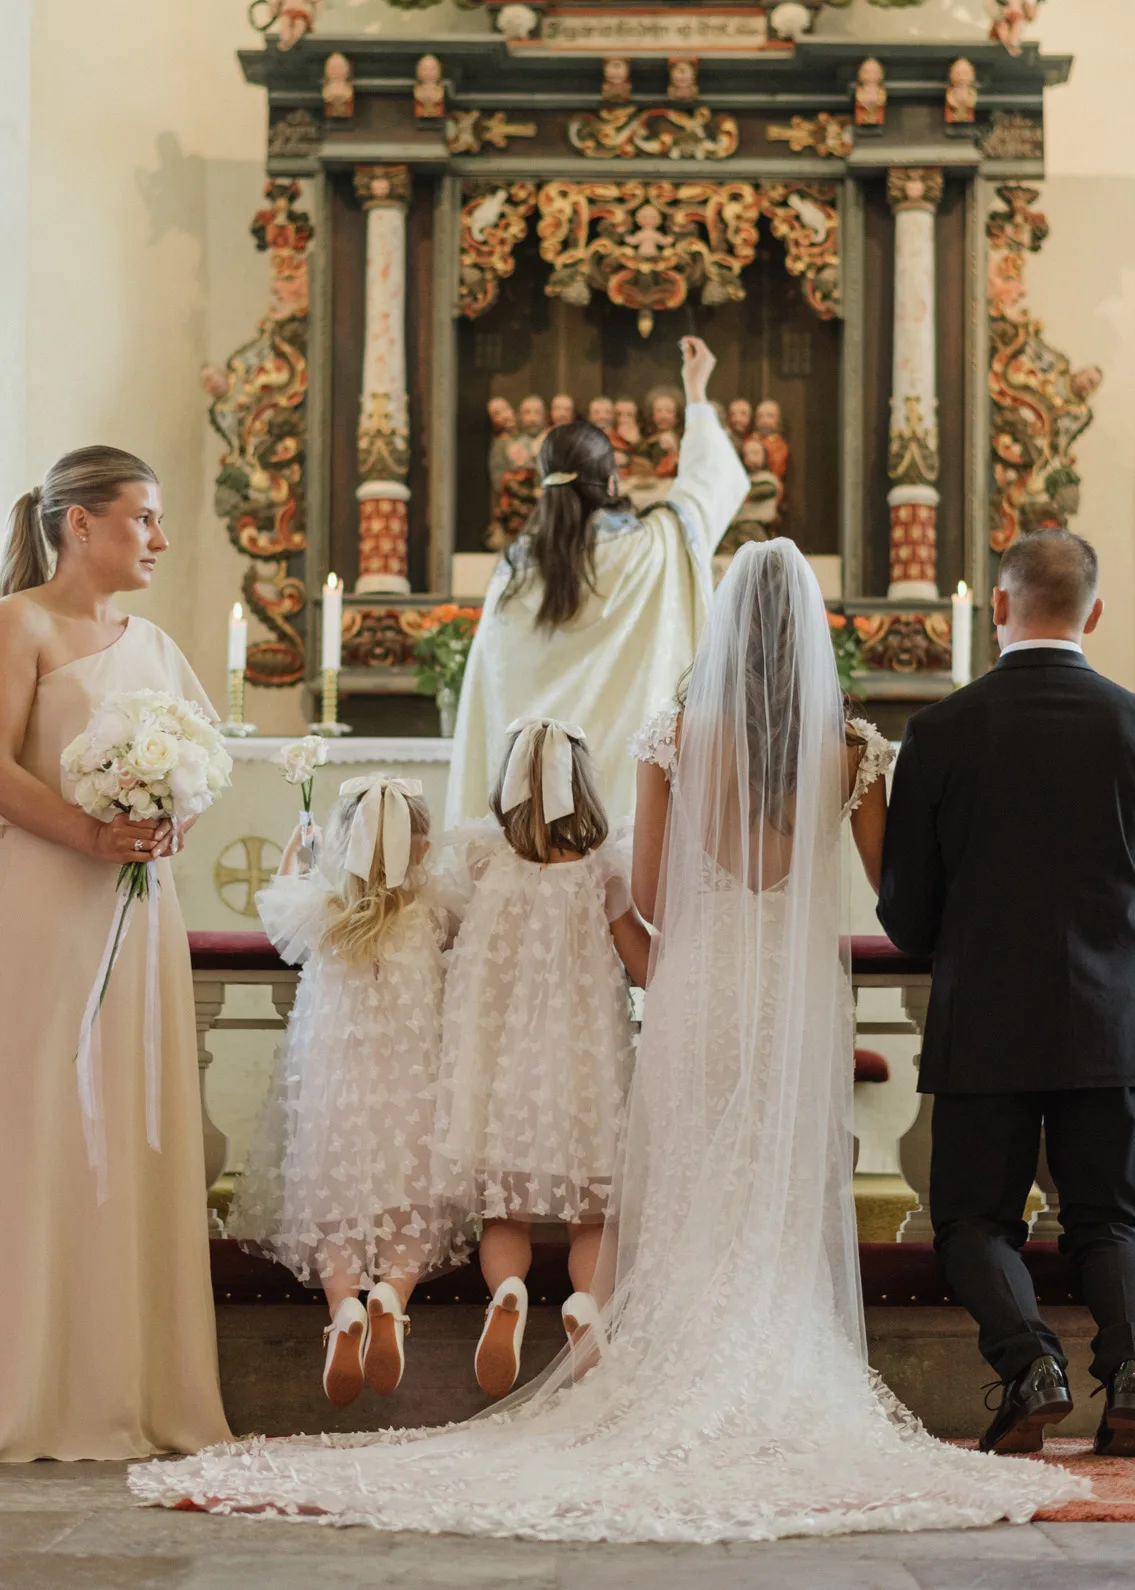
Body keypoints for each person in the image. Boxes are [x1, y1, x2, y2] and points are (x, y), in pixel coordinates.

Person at [132, 541, 1076, 1533]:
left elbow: (657, 897)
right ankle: (771, 1356)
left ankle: (678, 1355)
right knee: (775, 1182)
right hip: (792, 1001)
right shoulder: (850, 749)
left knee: (691, 1181)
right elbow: (894, 896)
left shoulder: (675, 735)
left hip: (698, 993)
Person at [878, 529, 1135, 1458]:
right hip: (1109, 1021)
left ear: (999, 612)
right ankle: (1131, 1379)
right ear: (1092, 613)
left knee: (973, 1220)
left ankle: (1030, 1368)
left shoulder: (939, 733)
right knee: (1112, 1221)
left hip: (983, 1021)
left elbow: (906, 914)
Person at [0, 448, 230, 1460]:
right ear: (80, 525)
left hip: (141, 913)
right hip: (48, 904)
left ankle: (138, 1383)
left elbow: (202, 762)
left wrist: (166, 815)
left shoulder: (160, 643)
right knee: (46, 1124)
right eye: (144, 518)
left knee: (139, 1127)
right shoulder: (20, 625)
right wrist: (89, 832)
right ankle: (38, 1384)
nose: (160, 539)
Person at [228, 777, 472, 1409]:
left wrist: (296, 849)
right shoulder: (435, 906)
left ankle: (345, 1314)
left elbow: (274, 903)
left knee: (334, 1200)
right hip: (415, 1087)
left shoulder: (323, 907)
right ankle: (391, 1296)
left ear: (344, 840)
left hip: (335, 1090)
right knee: (410, 1198)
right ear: (421, 847)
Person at [445, 337, 748, 825]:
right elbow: (711, 480)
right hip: (629, 818)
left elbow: (492, 699)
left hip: (532, 825)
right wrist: (695, 390)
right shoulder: (654, 547)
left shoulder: (514, 574)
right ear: (611, 482)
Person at [432, 718, 649, 1398]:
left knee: (505, 1212)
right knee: (592, 1213)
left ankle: (510, 1296)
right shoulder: (604, 867)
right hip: (584, 1064)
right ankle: (586, 1309)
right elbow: (642, 964)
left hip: (501, 1068)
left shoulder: (480, 859)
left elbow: (443, 938)